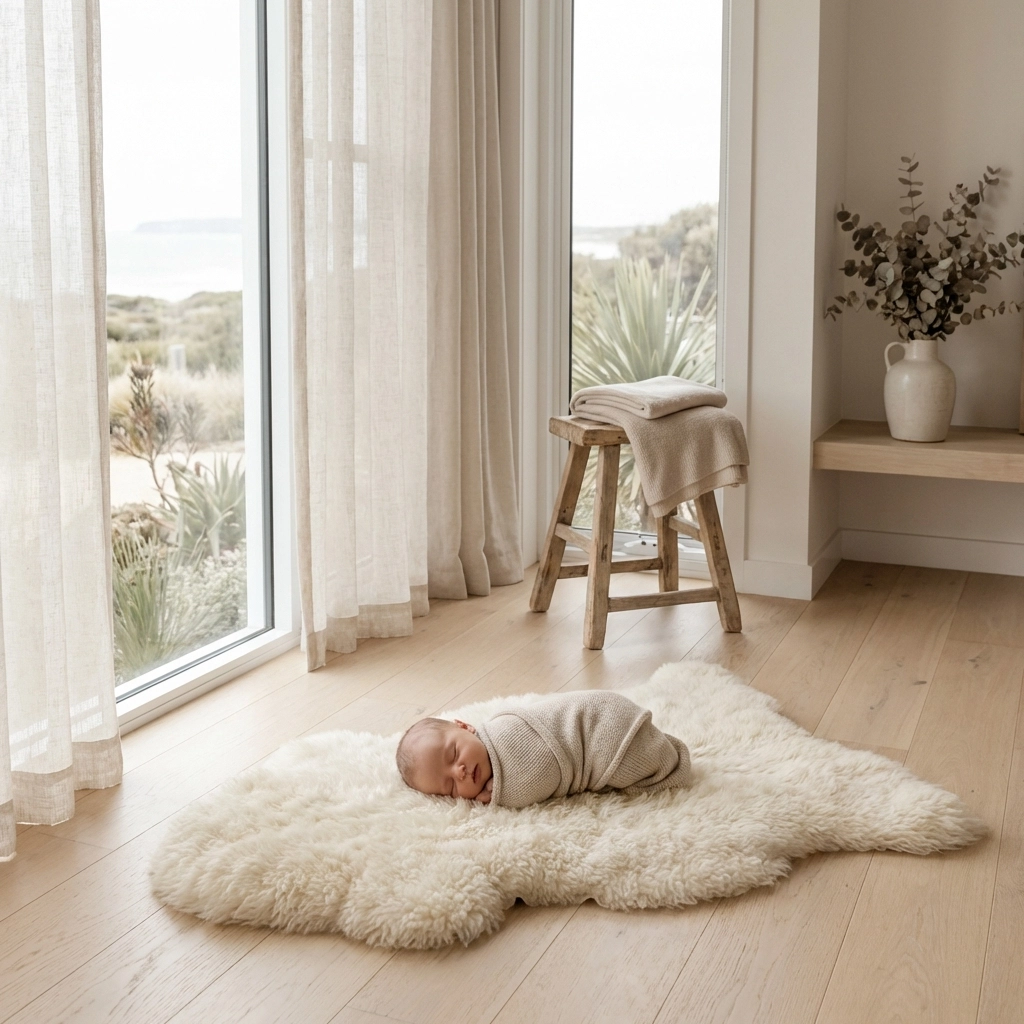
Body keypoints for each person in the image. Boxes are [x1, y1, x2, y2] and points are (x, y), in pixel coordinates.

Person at [395, 690, 691, 808]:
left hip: (609, 727)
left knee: (637, 763)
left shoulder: (504, 732)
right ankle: (655, 747)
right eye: (449, 787)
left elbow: (543, 774)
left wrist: (499, 796)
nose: (459, 772)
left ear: (464, 726)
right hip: (611, 719)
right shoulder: (488, 751)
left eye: (453, 754)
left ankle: (660, 755)